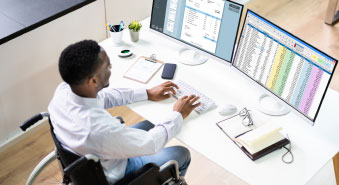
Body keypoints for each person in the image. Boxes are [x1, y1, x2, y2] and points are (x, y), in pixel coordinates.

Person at [48, 40, 200, 184]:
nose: (111, 67)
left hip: (95, 155)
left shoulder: (64, 91)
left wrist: (147, 92)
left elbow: (104, 96)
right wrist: (178, 114)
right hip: (118, 170)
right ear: (93, 81)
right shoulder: (99, 129)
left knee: (152, 123)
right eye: (107, 66)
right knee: (182, 153)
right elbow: (150, 143)